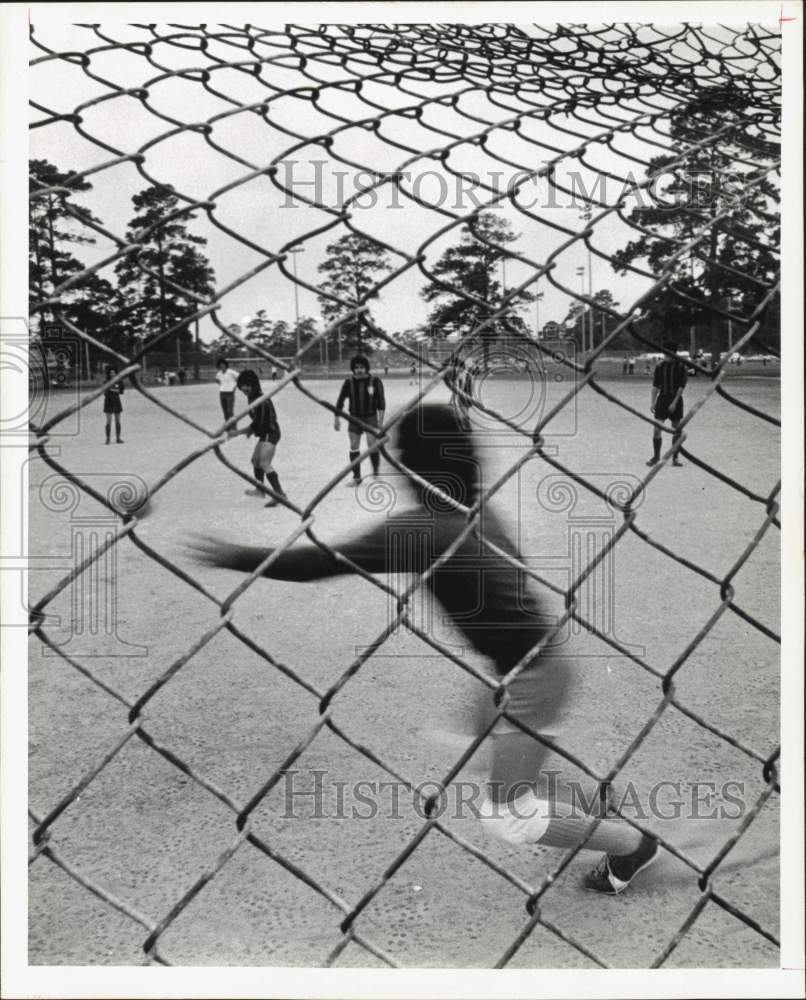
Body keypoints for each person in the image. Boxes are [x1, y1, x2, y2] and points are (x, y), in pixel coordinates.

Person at [189, 403, 660, 895]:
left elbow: (314, 565)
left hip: (530, 679)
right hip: (528, 667)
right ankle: (597, 807)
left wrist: (232, 556)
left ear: (412, 466)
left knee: (507, 818)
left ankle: (631, 846)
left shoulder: (424, 530)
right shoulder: (475, 509)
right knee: (492, 754)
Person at [237, 369, 286, 508]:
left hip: (271, 432)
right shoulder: (251, 398)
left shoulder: (261, 399)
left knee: (264, 462)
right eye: (242, 386)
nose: (244, 388)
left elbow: (261, 422)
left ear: (254, 384)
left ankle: (280, 494)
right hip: (264, 433)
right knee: (255, 461)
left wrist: (247, 430)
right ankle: (260, 490)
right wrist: (250, 430)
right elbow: (257, 422)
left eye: (247, 385)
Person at [334, 354, 386, 486]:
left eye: (362, 367)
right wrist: (337, 418)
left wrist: (380, 421)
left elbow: (381, 402)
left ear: (366, 368)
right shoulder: (348, 382)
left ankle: (376, 473)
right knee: (353, 446)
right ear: (353, 369)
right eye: (356, 367)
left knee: (371, 443)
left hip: (370, 417)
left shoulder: (375, 381)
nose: (359, 370)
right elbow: (340, 401)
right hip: (354, 417)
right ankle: (356, 477)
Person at [647, 340, 687, 468]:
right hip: (662, 400)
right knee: (657, 430)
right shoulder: (660, 366)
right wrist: (653, 402)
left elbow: (681, 387)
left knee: (676, 430)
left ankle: (675, 458)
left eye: (667, 353)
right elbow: (655, 386)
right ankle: (656, 457)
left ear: (673, 353)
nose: (665, 355)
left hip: (675, 399)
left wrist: (674, 403)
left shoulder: (681, 366)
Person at [103, 365, 124, 444]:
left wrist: (112, 390)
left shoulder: (119, 381)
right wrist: (115, 390)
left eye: (113, 372)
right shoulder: (106, 381)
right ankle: (108, 439)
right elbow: (105, 392)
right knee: (108, 421)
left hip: (116, 401)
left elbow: (121, 391)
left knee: (118, 420)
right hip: (108, 402)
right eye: (111, 373)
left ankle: (118, 438)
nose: (112, 374)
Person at [216, 358, 239, 424]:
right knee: (225, 411)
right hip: (222, 393)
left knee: (230, 411)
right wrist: (222, 385)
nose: (221, 366)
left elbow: (239, 377)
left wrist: (235, 386)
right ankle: (227, 425)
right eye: (220, 365)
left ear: (225, 365)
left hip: (230, 393)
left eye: (223, 365)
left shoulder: (231, 372)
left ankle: (233, 425)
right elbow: (217, 380)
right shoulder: (219, 374)